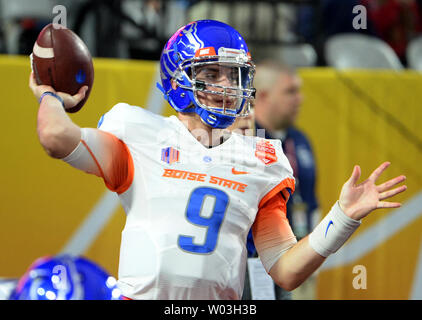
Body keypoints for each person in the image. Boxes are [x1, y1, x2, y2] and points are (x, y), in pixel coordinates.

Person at [29, 19, 406, 300]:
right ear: (177, 79)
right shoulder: (139, 132)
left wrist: (342, 219)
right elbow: (56, 137)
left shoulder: (263, 158)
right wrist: (51, 95)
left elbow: (286, 271)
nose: (226, 87)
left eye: (234, 75)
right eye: (211, 74)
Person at [252, 61, 319, 299]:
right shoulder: (245, 141)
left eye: (299, 90)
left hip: (299, 258)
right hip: (258, 262)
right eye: (290, 91)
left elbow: (310, 199)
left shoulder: (300, 140)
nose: (299, 99)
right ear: (263, 96)